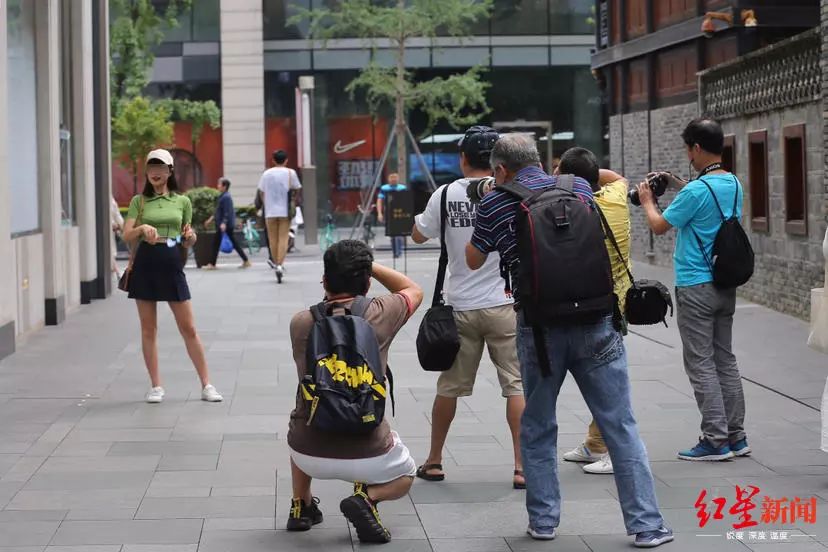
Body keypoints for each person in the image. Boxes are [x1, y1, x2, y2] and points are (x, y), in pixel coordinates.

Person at [465, 134, 672, 547]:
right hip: (597, 321)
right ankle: (646, 525)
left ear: (501, 170)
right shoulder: (577, 186)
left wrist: (489, 198)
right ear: (541, 162)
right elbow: (609, 182)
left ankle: (543, 522)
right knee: (620, 424)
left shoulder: (494, 203)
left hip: (539, 330)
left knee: (539, 425)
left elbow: (473, 260)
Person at [286, 240, 424, 543]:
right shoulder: (381, 313)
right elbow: (414, 290)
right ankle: (368, 497)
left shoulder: (300, 323)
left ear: (325, 280)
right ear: (368, 280)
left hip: (308, 453)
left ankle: (301, 506)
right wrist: (367, 264)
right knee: (408, 474)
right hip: (369, 452)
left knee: (303, 413)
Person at [411, 126, 526, 488]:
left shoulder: (444, 195)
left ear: (463, 159)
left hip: (459, 306)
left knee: (449, 387)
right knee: (517, 386)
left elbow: (418, 234)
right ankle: (522, 467)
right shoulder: (511, 193)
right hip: (505, 303)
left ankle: (433, 461)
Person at [637, 117, 748, 462]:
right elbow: (704, 199)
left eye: (688, 149)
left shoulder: (696, 191)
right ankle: (736, 435)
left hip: (695, 285)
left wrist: (646, 200)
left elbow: (658, 226)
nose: (688, 155)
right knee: (724, 359)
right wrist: (676, 184)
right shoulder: (733, 183)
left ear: (696, 148)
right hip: (724, 284)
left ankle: (714, 440)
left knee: (700, 363)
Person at [121, 149, 223, 404]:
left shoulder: (182, 201)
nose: (156, 172)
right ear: (147, 172)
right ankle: (156, 386)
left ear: (170, 171)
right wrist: (142, 228)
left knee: (188, 327)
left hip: (171, 261)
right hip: (146, 262)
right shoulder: (139, 201)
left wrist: (190, 238)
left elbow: (189, 238)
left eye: (161, 167)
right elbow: (126, 234)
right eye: (151, 167)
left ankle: (206, 384)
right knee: (148, 329)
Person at [557, 148, 632, 476]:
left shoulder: (576, 210)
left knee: (609, 383)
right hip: (619, 300)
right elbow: (617, 178)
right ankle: (596, 443)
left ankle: (616, 451)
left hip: (599, 306)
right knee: (602, 377)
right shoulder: (616, 198)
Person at [258, 149, 302, 283]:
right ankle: (279, 265)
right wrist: (293, 200)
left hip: (270, 211)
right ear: (286, 160)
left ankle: (276, 262)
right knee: (283, 238)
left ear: (273, 160)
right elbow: (297, 188)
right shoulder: (290, 172)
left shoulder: (267, 173)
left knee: (273, 239)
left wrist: (266, 203)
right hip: (285, 211)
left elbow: (261, 191)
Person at [204, 177, 251, 270]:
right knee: (231, 243)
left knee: (217, 243)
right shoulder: (223, 196)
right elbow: (218, 210)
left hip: (225, 225)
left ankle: (212, 264)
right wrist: (210, 219)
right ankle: (246, 260)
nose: (218, 186)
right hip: (223, 224)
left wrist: (224, 223)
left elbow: (227, 212)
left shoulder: (226, 197)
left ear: (224, 186)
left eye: (219, 184)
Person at [376, 173, 407, 258]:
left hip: (399, 212)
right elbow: (379, 200)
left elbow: (406, 201)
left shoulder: (402, 188)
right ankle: (395, 251)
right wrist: (379, 213)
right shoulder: (384, 188)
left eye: (395, 179)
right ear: (389, 179)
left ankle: (399, 251)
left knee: (399, 234)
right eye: (391, 179)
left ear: (397, 179)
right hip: (389, 213)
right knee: (392, 234)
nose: (393, 180)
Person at [111, 195, 124, 278]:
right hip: (108, 230)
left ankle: (117, 273)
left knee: (111, 254)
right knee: (110, 254)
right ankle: (117, 273)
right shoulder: (109, 199)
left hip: (111, 231)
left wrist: (120, 225)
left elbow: (116, 213)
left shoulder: (110, 199)